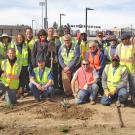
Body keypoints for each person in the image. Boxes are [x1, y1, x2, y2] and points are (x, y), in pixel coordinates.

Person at [115, 33, 135, 104]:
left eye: (123, 40)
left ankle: (133, 97)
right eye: (122, 40)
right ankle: (120, 99)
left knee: (133, 85)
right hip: (122, 70)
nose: (122, 41)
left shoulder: (133, 46)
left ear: (128, 39)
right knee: (121, 85)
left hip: (132, 70)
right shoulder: (119, 46)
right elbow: (116, 57)